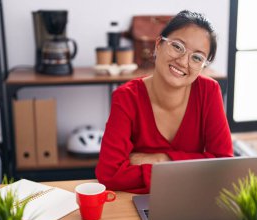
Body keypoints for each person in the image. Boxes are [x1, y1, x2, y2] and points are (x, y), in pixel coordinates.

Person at [96, 10, 233, 194]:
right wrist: (193, 166)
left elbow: (222, 165)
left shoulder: (209, 91)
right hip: (140, 202)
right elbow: (109, 174)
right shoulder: (126, 97)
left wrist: (162, 160)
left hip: (191, 198)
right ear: (159, 44)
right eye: (177, 46)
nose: (183, 61)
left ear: (203, 66)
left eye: (197, 57)